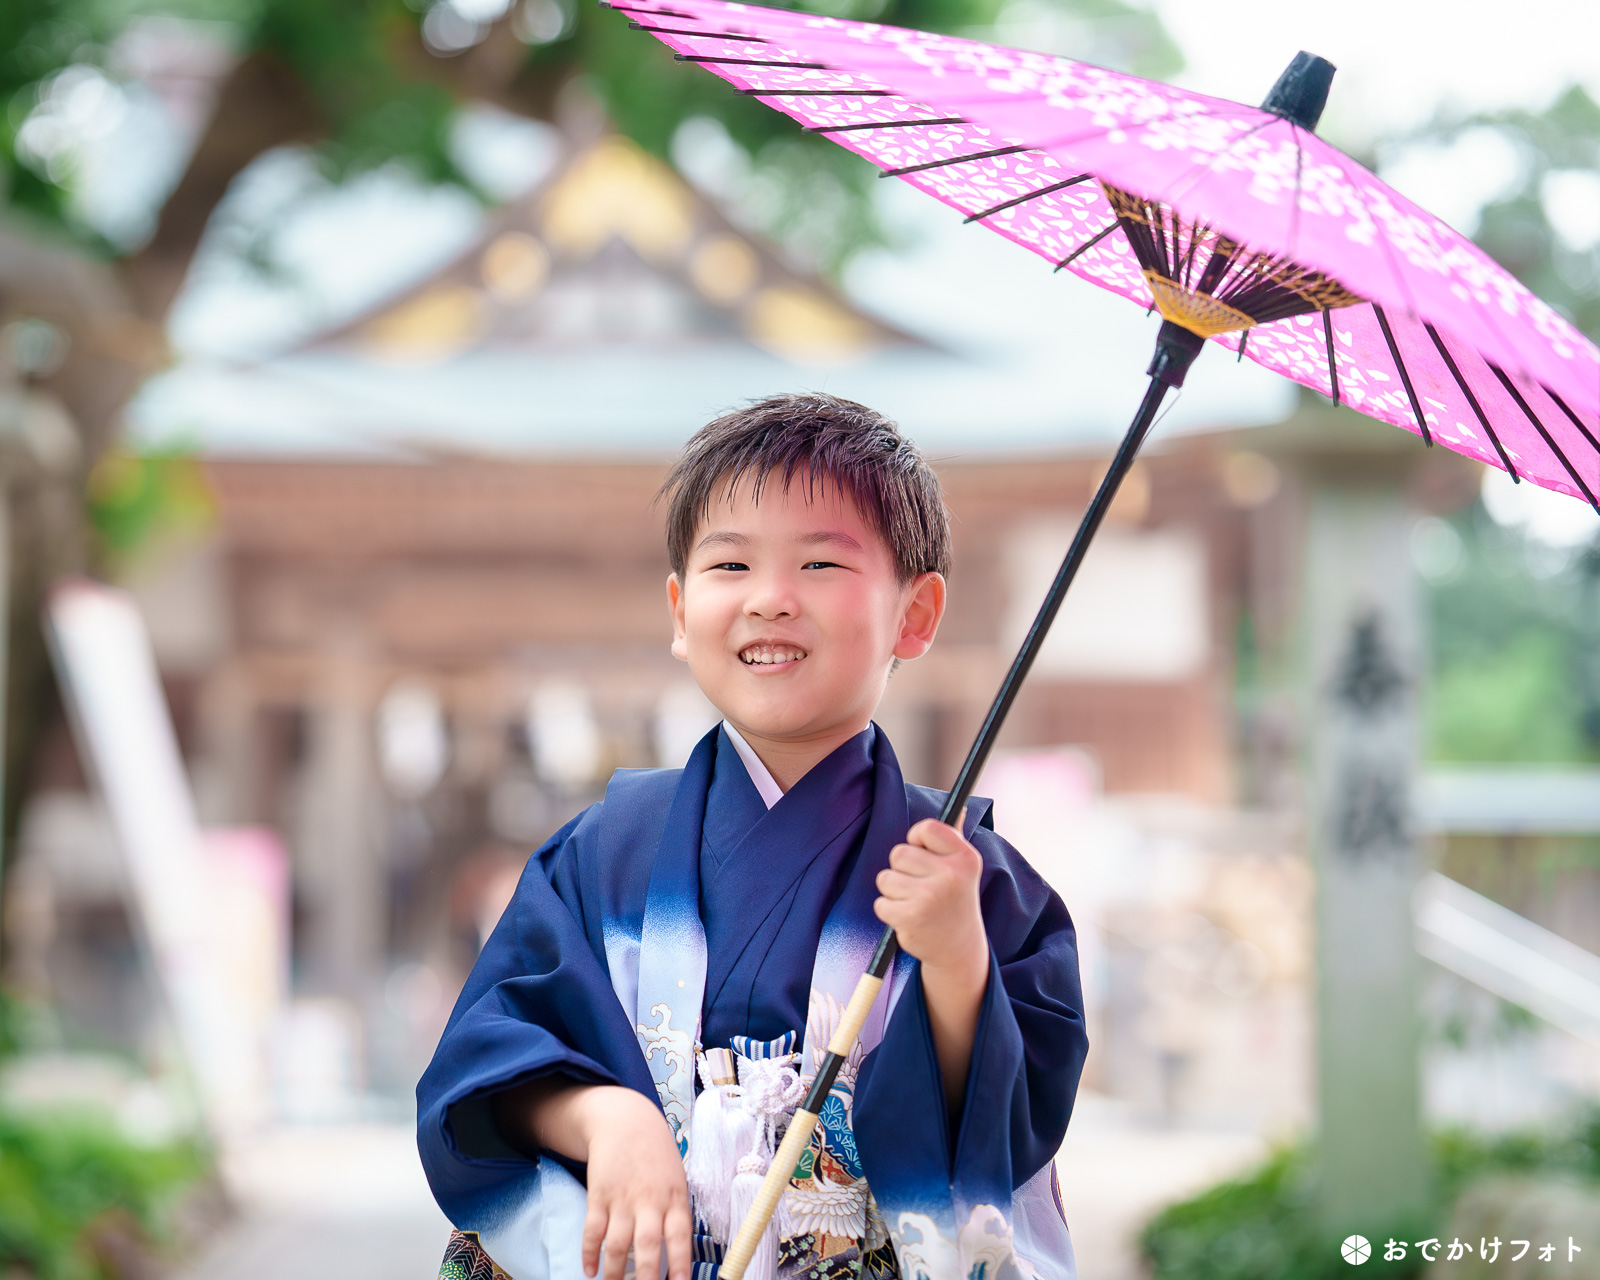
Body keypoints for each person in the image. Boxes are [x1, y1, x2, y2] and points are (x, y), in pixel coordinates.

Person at [418, 394, 1088, 1280]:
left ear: (916, 614)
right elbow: (491, 1062)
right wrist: (606, 1119)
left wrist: (958, 959)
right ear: (678, 607)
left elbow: (1009, 1126)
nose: (770, 600)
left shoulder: (972, 875)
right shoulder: (604, 853)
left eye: (819, 563)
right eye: (730, 564)